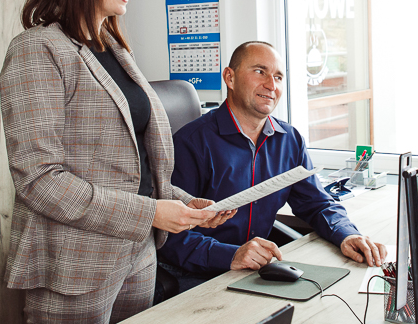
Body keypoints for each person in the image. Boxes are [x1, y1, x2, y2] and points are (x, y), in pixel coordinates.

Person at [0, 0, 232, 324]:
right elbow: (39, 181)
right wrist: (150, 213)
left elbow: (129, 165)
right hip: (75, 265)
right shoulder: (37, 50)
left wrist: (182, 203)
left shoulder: (114, 49)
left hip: (136, 257)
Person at [158, 41, 387, 293]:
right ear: (230, 78)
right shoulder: (191, 143)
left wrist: (346, 234)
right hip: (197, 272)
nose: (271, 85)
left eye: (278, 76)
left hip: (254, 268)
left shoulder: (289, 139)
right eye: (260, 71)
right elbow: (170, 237)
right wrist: (232, 256)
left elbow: (316, 203)